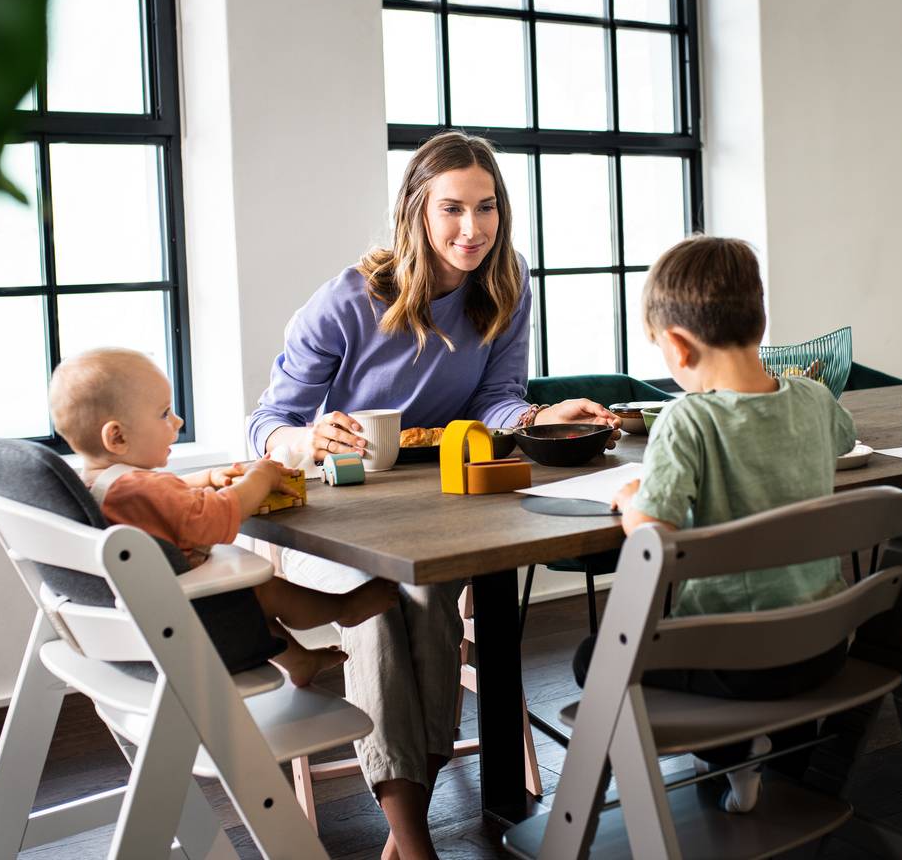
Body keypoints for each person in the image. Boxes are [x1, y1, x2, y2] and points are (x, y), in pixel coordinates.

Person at [248, 130, 620, 860]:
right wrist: (307, 439)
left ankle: (404, 832)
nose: (472, 229)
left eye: (486, 209)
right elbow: (268, 422)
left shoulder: (505, 284)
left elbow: (498, 399)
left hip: (438, 509)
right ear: (416, 211)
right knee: (384, 613)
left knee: (428, 606)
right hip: (337, 515)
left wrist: (541, 416)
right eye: (451, 209)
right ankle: (415, 841)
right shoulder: (349, 301)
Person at [573, 235, 856, 813]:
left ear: (677, 347)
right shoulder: (814, 399)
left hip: (736, 663)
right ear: (760, 320)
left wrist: (633, 499)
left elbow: (653, 531)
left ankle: (731, 752)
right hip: (823, 645)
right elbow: (844, 438)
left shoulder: (688, 420)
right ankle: (764, 758)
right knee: (772, 640)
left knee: (592, 656)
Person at [48, 347, 397, 688]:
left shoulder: (99, 485)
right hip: (191, 627)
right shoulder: (138, 488)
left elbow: (159, 495)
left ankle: (299, 661)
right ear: (118, 436)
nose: (178, 421)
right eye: (164, 414)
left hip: (152, 621)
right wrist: (260, 477)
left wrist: (205, 479)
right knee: (261, 590)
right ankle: (346, 608)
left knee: (241, 591)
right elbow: (217, 519)